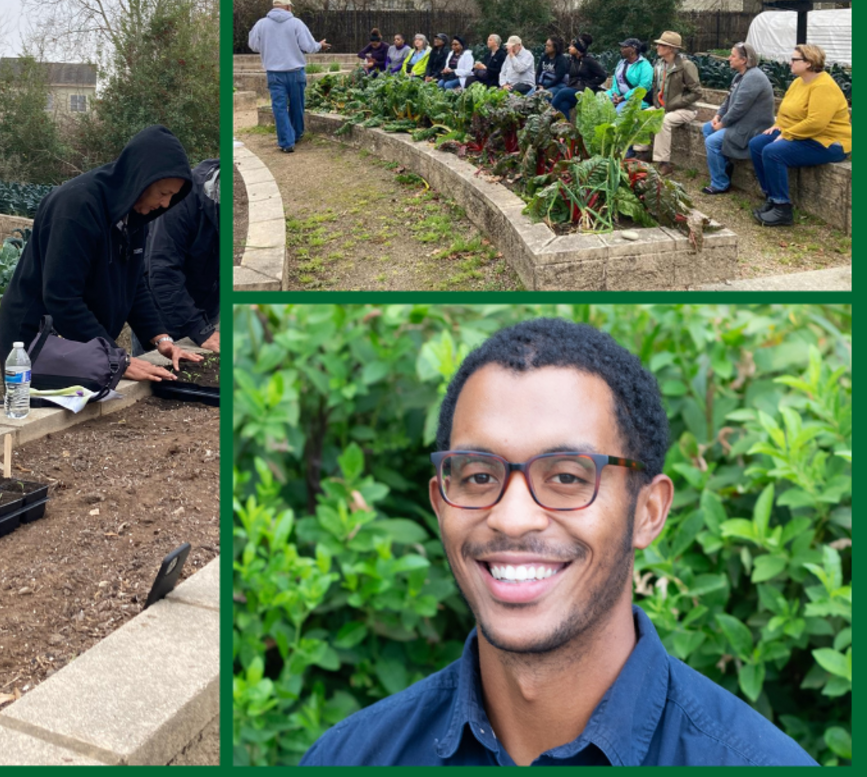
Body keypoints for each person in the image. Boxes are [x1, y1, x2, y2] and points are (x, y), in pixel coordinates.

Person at [301, 318, 818, 767]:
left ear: (648, 512)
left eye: (568, 477)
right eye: (479, 476)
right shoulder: (348, 757)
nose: (513, 517)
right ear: (440, 503)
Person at [0, 125, 202, 379]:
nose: (166, 204)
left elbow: (134, 285)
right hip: (35, 341)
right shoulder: (77, 208)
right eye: (163, 193)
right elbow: (62, 298)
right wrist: (117, 359)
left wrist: (161, 338)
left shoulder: (135, 214)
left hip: (78, 341)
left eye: (173, 196)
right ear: (141, 179)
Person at [749, 43, 851, 227]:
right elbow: (787, 110)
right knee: (757, 145)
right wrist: (779, 125)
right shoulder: (798, 82)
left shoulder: (823, 86)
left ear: (809, 63)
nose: (790, 63)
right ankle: (771, 197)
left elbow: (816, 123)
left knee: (773, 152)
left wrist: (788, 134)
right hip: (805, 134)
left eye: (795, 59)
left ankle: (782, 209)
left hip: (828, 142)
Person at [138, 158, 220, 354]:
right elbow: (162, 272)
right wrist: (199, 329)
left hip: (206, 300)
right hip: (163, 307)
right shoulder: (179, 201)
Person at [248, 0, 330, 153]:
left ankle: (286, 142)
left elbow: (253, 45)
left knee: (279, 108)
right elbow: (308, 46)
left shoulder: (261, 24)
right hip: (295, 71)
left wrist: (268, 46)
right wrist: (320, 45)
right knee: (296, 105)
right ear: (288, 7)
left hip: (274, 73)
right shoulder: (296, 23)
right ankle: (297, 134)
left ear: (274, 7)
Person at [699, 42, 774, 196]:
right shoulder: (739, 76)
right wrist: (718, 115)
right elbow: (728, 100)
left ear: (744, 60)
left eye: (733, 56)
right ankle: (725, 164)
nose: (729, 58)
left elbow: (739, 107)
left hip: (751, 128)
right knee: (707, 128)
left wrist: (723, 124)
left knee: (712, 142)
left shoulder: (754, 77)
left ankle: (720, 184)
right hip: (740, 123)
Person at [639, 30, 703, 176]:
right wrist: (657, 103)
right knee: (642, 115)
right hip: (663, 107)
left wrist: (676, 103)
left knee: (664, 122)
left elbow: (697, 92)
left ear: (671, 49)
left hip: (685, 109)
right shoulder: (659, 65)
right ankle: (642, 153)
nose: (657, 47)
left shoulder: (686, 66)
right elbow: (655, 87)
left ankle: (664, 163)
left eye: (661, 45)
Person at [549, 34, 607, 116]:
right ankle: (566, 127)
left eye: (572, 46)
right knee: (563, 105)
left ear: (578, 49)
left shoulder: (589, 61)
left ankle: (547, 115)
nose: (569, 48)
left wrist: (588, 85)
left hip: (584, 91)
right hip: (573, 88)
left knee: (562, 92)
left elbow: (603, 76)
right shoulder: (572, 60)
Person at [605, 38, 654, 113]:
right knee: (598, 101)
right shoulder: (621, 63)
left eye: (624, 47)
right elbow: (616, 81)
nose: (621, 49)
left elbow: (644, 86)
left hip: (635, 99)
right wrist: (615, 94)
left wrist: (624, 97)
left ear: (633, 49)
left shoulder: (645, 65)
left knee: (618, 113)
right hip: (618, 96)